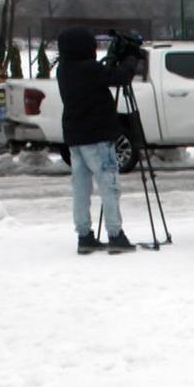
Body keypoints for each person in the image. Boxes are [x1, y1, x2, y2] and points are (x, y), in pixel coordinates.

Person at [55, 27, 136, 254]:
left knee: (81, 187)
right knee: (108, 184)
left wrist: (111, 59)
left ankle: (84, 235)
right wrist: (130, 58)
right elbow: (120, 77)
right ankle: (115, 234)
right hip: (98, 136)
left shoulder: (64, 69)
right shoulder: (89, 69)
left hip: (75, 136)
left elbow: (102, 74)